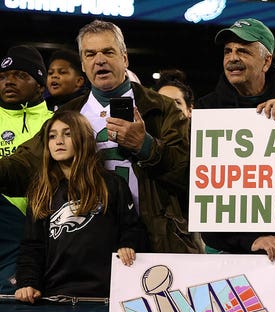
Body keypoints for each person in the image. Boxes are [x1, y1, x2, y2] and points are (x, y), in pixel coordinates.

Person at [0, 20, 204, 254]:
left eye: (108, 52)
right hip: (88, 246)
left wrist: (145, 146)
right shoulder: (68, 115)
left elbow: (192, 173)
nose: (100, 60)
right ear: (84, 66)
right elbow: (24, 165)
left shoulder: (163, 108)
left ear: (125, 59)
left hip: (157, 241)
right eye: (90, 54)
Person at [196, 18, 275, 261]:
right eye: (228, 51)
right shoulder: (208, 108)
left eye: (243, 51)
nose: (232, 58)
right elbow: (205, 197)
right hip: (235, 254)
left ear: (266, 61)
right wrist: (251, 239)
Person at [14, 110, 148, 304]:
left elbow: (132, 228)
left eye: (67, 134)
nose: (58, 141)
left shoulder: (112, 184)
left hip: (107, 294)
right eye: (52, 136)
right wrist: (27, 282)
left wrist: (129, 244)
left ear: (83, 138)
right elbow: (32, 246)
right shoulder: (41, 191)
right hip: (56, 295)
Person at [0, 45, 53, 295]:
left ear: (41, 85)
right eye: (3, 76)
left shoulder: (58, 122)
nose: (8, 82)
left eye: (20, 75)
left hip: (42, 226)